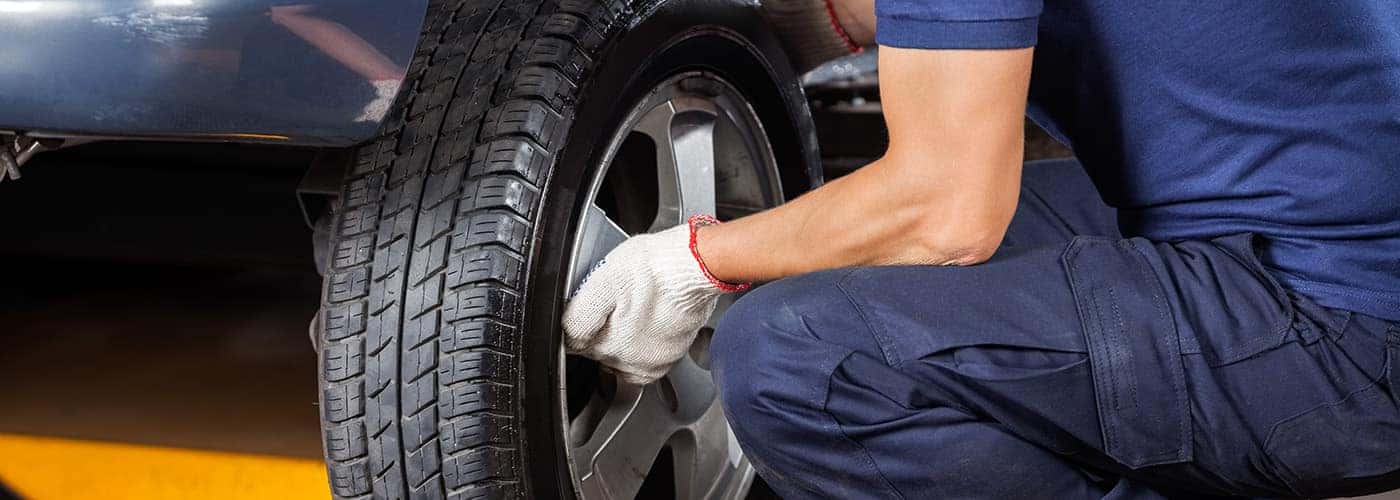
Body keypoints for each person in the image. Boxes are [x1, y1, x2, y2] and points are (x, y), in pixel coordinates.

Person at [562, 0, 1400, 498]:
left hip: (1345, 327)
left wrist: (694, 262)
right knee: (837, 262)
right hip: (1331, 225)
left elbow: (948, 212)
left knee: (794, 358)